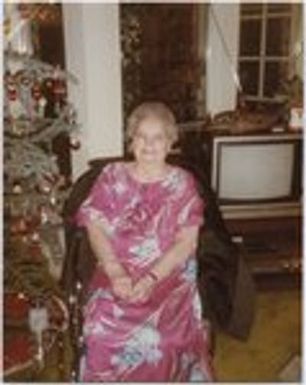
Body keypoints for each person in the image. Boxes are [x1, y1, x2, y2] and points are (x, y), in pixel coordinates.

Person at [74, 102, 214, 382]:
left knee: (163, 340)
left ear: (170, 142)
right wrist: (114, 270)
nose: (149, 145)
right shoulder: (112, 176)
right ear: (131, 140)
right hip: (116, 270)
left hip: (167, 274)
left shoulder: (182, 183)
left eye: (158, 137)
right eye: (141, 136)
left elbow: (187, 243)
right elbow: (94, 224)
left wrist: (151, 278)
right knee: (101, 329)